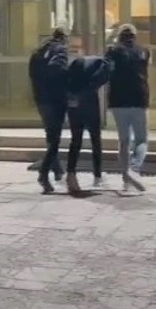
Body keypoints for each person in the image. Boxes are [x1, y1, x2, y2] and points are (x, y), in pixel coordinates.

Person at [105, 24, 150, 194]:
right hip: (139, 99)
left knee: (124, 141)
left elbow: (106, 70)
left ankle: (126, 180)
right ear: (134, 36)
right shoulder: (144, 51)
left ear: (119, 36)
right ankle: (134, 168)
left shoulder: (112, 52)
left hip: (118, 101)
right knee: (141, 140)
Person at [28, 27, 70, 193]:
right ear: (64, 38)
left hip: (41, 98)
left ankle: (58, 170)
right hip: (55, 99)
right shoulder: (60, 50)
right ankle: (43, 173)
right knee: (55, 139)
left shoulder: (38, 52)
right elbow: (58, 70)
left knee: (51, 135)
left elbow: (32, 75)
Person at [64, 55, 112, 193]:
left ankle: (71, 173)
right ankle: (97, 176)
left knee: (76, 140)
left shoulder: (78, 62)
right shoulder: (104, 64)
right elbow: (99, 79)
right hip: (89, 102)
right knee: (95, 139)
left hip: (73, 102)